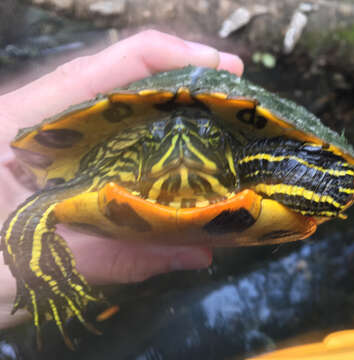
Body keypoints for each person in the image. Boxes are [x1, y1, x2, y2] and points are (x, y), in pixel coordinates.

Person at [0, 30, 244, 329]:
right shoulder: (95, 175)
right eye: (157, 141)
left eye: (210, 138)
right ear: (138, 150)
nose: (181, 140)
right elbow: (37, 211)